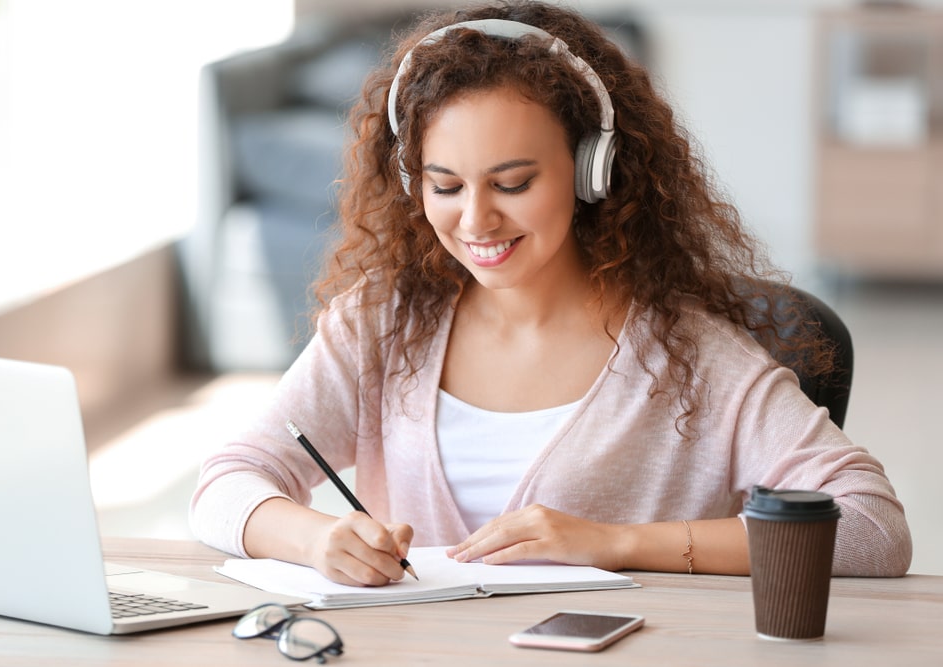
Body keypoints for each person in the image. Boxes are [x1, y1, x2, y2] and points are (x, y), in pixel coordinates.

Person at [190, 0, 911, 586]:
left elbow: (873, 527)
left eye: (512, 183)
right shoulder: (383, 324)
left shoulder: (690, 354)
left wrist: (619, 542)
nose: (476, 220)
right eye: (445, 185)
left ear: (592, 172)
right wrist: (317, 539)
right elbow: (226, 482)